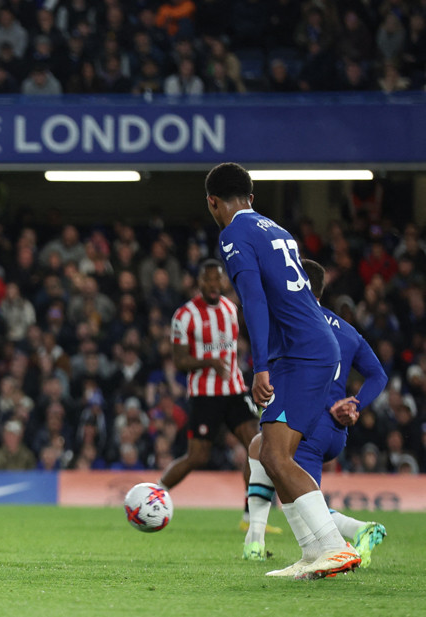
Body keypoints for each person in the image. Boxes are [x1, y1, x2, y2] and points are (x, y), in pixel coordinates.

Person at [206, 162, 357, 581]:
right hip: (307, 348)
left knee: (274, 454)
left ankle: (332, 547)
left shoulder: (233, 234)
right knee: (269, 454)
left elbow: (252, 300)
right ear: (251, 198)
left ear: (212, 202)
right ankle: (313, 554)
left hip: (300, 354)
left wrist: (260, 366)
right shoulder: (278, 230)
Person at [243, 259, 388, 565]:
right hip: (335, 429)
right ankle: (254, 539)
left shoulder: (291, 320)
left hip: (307, 421)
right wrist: (356, 403)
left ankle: (354, 533)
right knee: (260, 448)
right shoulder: (346, 330)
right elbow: (378, 375)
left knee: (299, 496)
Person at [159, 258, 267, 529]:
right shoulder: (184, 316)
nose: (212, 285)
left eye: (217, 279)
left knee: (257, 446)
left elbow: (233, 347)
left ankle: (250, 518)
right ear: (199, 282)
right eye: (207, 280)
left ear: (223, 281)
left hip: (234, 390)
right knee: (197, 457)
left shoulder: (231, 309)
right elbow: (180, 361)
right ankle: (155, 494)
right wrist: (209, 361)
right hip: (204, 395)